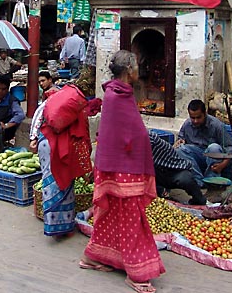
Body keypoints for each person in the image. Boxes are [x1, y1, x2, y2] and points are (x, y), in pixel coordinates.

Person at [81, 50, 165, 293]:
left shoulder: (119, 93)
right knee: (131, 218)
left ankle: (94, 257)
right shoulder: (116, 96)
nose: (140, 70)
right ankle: (136, 272)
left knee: (113, 216)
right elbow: (122, 134)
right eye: (137, 66)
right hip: (122, 168)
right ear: (129, 70)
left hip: (121, 166)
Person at [33, 67, 97, 239]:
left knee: (49, 183)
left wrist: (33, 136)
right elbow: (82, 137)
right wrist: (86, 168)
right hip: (57, 148)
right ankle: (61, 229)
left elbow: (40, 114)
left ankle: (53, 226)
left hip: (44, 140)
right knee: (63, 186)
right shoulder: (79, 104)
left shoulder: (61, 93)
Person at [175, 99, 232, 187]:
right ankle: (199, 182)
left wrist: (222, 165)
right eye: (193, 118)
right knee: (180, 149)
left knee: (214, 147)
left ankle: (212, 181)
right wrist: (180, 142)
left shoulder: (216, 125)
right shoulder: (187, 124)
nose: (195, 121)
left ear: (205, 114)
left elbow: (230, 149)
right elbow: (180, 139)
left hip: (213, 159)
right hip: (196, 159)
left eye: (198, 117)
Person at [149, 130, 207, 206]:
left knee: (186, 180)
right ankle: (161, 196)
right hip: (157, 170)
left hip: (174, 169)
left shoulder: (148, 137)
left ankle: (199, 199)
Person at [0, 74, 25, 143]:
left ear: (8, 89)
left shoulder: (12, 101)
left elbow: (20, 115)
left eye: (3, 89)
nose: (0, 91)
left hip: (2, 132)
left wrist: (6, 125)